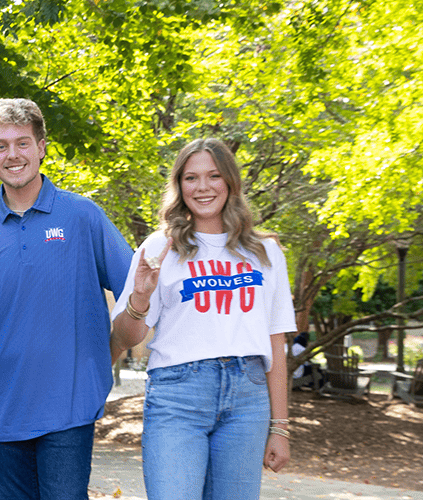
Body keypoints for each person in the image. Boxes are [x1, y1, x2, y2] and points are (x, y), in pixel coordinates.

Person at [0, 98, 135, 500]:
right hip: (1, 406)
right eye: (1, 146)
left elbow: (135, 290)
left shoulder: (83, 215)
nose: (12, 154)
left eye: (22, 142)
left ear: (41, 147)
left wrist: (111, 349)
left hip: (69, 405)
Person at [108, 138, 296, 499]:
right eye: (191, 178)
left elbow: (275, 340)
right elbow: (127, 337)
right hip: (178, 396)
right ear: (179, 186)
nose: (203, 187)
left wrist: (281, 427)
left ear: (230, 182)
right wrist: (140, 298)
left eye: (213, 176)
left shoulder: (265, 251)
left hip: (247, 399)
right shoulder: (159, 247)